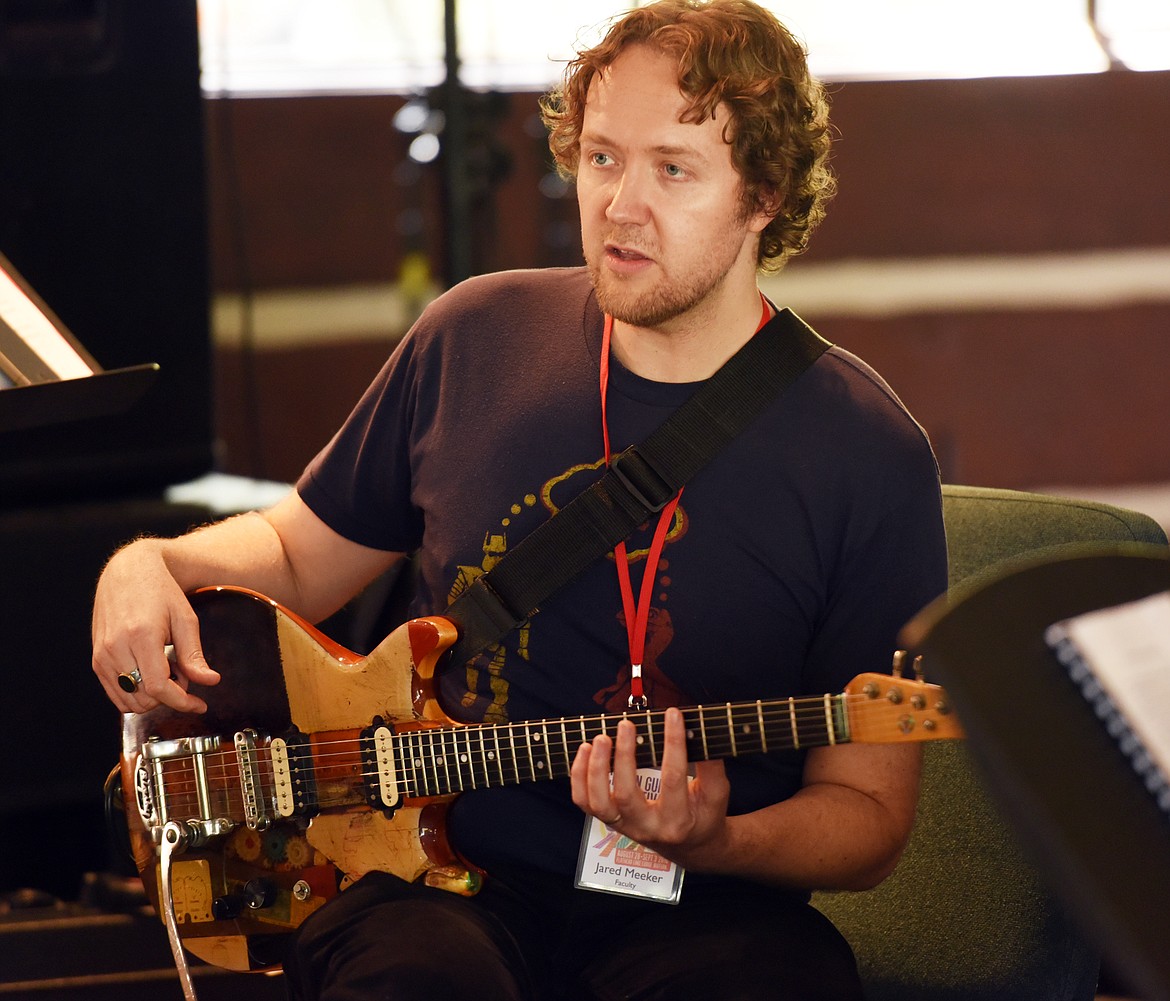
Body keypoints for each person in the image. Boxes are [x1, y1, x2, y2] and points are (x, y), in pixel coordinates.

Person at [92, 1, 948, 998]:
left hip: (703, 908)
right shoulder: (474, 335)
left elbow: (867, 816)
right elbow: (294, 556)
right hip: (430, 878)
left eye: (672, 168)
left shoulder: (868, 452)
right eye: (600, 158)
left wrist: (718, 837)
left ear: (764, 192)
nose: (621, 205)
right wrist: (149, 560)